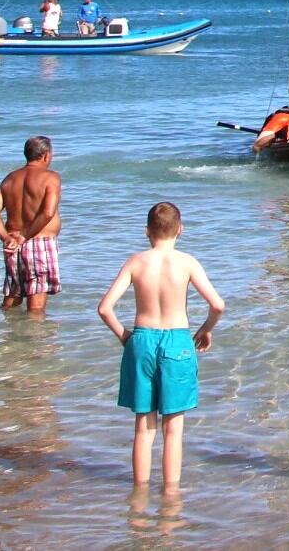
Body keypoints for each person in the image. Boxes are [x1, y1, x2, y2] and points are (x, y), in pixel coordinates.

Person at [95, 201, 225, 489]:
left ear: (147, 232)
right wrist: (205, 329)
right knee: (173, 428)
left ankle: (139, 495)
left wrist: (124, 336)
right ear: (180, 229)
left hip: (141, 340)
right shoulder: (187, 262)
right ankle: (170, 497)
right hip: (178, 340)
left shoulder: (136, 262)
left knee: (144, 427)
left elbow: (105, 308)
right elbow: (217, 305)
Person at [0, 135, 63, 312]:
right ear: (46, 156)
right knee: (36, 305)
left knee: (13, 296)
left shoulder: (10, 178)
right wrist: (24, 236)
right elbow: (48, 213)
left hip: (13, 244)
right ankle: (33, 339)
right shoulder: (51, 177)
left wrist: (7, 238)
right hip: (39, 243)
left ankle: (7, 334)